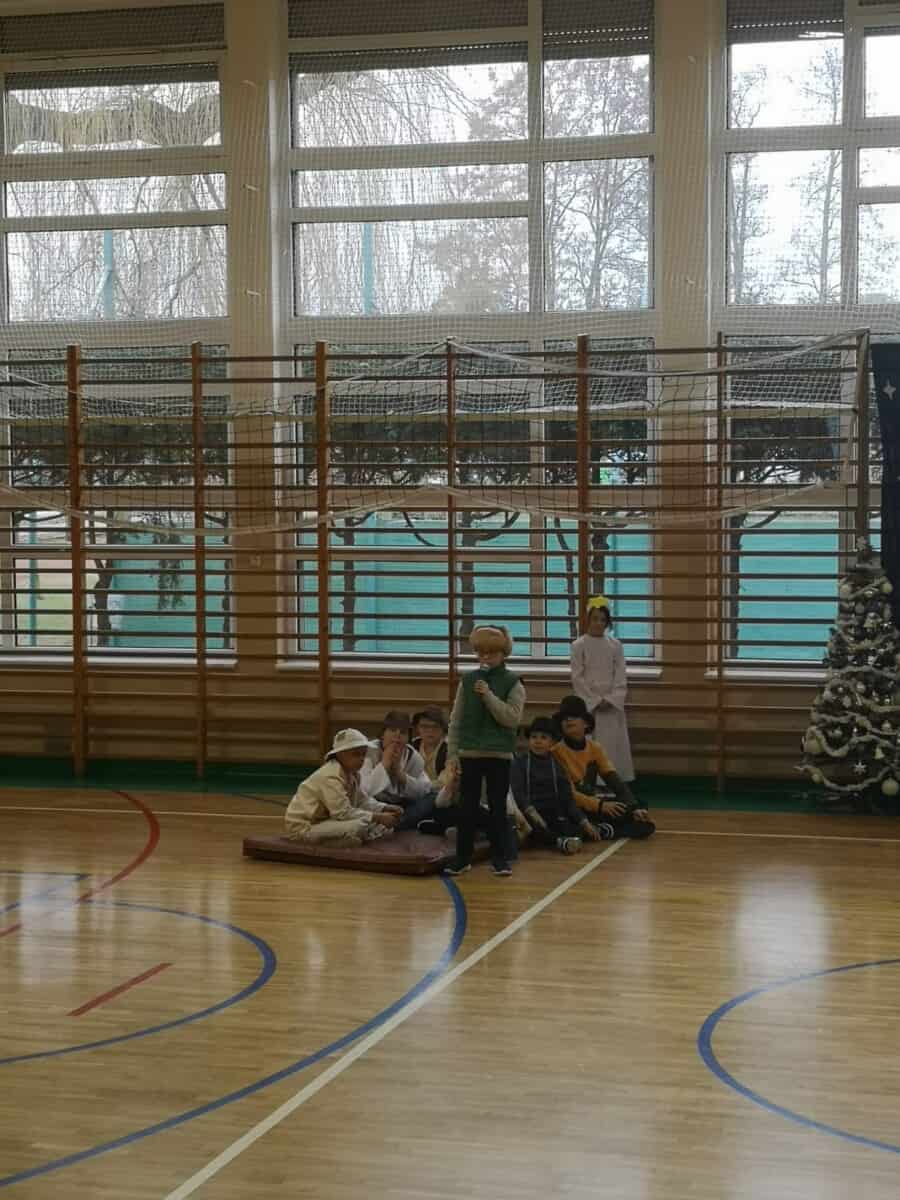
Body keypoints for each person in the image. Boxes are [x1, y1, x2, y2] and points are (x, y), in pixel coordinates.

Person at [443, 624, 526, 877]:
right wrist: (452, 755)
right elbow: (456, 720)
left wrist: (488, 695)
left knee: (498, 807)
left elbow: (511, 718)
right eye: (481, 652)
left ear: (503, 653)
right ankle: (463, 857)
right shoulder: (467, 681)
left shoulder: (513, 683)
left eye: (492, 652)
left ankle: (500, 858)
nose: (485, 657)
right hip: (470, 753)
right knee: (466, 807)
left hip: (499, 754)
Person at [552, 695, 654, 840]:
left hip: (592, 803)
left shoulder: (595, 748)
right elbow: (569, 794)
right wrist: (601, 806)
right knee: (570, 819)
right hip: (572, 807)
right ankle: (604, 830)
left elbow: (614, 780)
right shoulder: (556, 752)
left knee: (639, 804)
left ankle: (604, 827)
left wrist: (634, 807)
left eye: (573, 716)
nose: (568, 720)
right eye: (564, 718)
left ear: (586, 723)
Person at [284, 728, 402, 848]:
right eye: (356, 754)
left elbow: (362, 800)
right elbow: (342, 813)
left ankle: (344, 838)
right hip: (305, 828)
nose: (362, 759)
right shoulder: (330, 776)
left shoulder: (353, 774)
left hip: (327, 822)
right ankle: (337, 840)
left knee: (376, 823)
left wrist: (384, 808)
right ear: (340, 754)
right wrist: (378, 817)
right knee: (361, 825)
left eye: (363, 754)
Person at [510, 717, 612, 854]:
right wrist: (533, 814)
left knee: (569, 824)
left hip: (554, 812)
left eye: (543, 737)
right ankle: (560, 841)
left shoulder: (557, 765)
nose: (538, 741)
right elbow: (518, 794)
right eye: (534, 737)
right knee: (535, 829)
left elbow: (567, 798)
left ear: (552, 742)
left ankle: (592, 830)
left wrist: (584, 822)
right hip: (531, 812)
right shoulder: (520, 763)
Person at [570, 596, 635, 783]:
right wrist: (594, 701)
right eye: (595, 619)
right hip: (589, 705)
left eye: (602, 620)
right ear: (588, 619)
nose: (598, 623)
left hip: (611, 705)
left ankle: (613, 782)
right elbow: (577, 677)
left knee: (613, 745)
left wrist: (611, 699)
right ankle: (591, 783)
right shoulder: (578, 645)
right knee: (590, 742)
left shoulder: (616, 645)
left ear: (608, 622)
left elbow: (620, 675)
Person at [361, 709, 434, 829]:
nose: (397, 735)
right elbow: (364, 790)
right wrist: (385, 763)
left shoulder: (413, 756)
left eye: (403, 732)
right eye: (392, 730)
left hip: (401, 805)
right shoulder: (369, 751)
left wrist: (399, 774)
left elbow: (423, 789)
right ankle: (388, 822)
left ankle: (392, 823)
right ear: (382, 734)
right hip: (375, 803)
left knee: (432, 797)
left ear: (408, 738)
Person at [411, 706, 448, 783]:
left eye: (435, 726)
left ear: (443, 729)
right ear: (417, 728)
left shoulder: (449, 749)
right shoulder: (412, 747)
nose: (430, 730)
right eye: (425, 726)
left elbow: (444, 782)